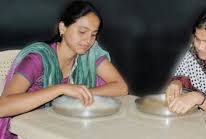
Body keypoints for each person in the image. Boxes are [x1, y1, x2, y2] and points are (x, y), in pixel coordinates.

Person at [0, 1, 128, 138]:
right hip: (28, 133)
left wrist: (79, 93)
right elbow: (3, 107)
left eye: (93, 34)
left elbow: (121, 87)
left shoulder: (90, 55)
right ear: (62, 28)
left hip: (64, 128)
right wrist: (60, 89)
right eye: (82, 31)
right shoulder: (38, 59)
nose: (88, 40)